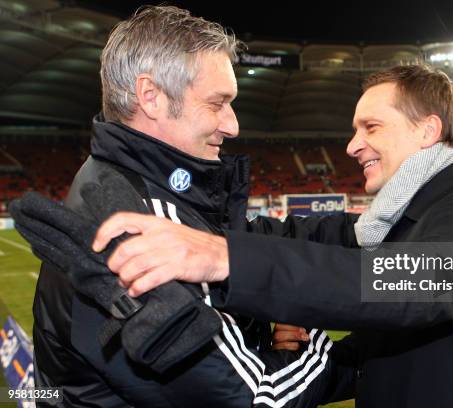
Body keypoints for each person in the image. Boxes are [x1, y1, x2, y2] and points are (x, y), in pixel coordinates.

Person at [94, 65, 453, 407]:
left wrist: (226, 257)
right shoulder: (395, 220)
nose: (351, 145)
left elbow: (408, 287)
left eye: (371, 127)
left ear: (428, 131)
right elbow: (313, 242)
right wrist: (303, 358)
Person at [26, 5, 353, 407]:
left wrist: (366, 230)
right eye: (217, 103)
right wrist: (323, 346)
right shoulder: (129, 226)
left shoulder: (141, 188)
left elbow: (250, 240)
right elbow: (257, 398)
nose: (232, 125)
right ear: (151, 97)